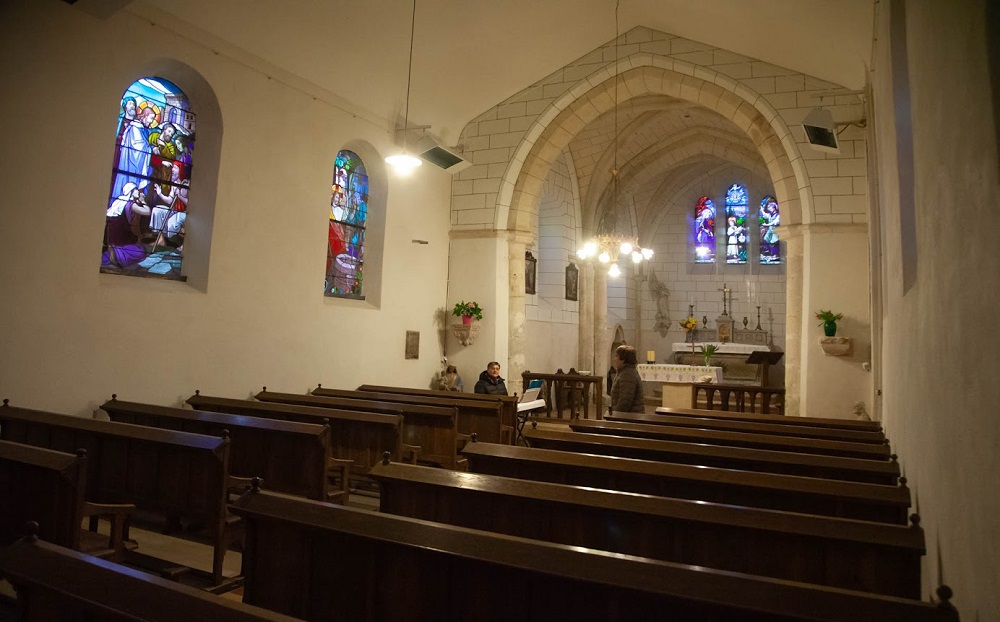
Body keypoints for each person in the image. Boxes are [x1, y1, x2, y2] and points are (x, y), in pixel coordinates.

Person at [609, 345, 644, 413]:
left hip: (630, 417)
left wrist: (616, 415)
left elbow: (625, 400)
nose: (614, 359)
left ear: (623, 359)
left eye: (616, 356)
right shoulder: (625, 371)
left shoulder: (628, 374)